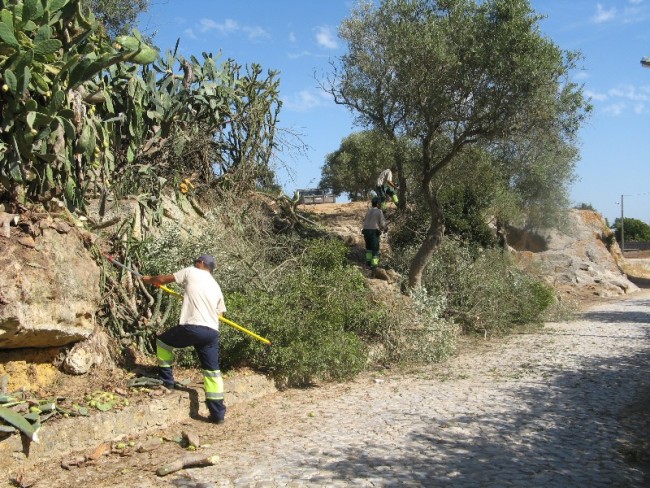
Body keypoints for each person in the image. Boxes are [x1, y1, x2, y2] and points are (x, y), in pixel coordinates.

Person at [141, 254, 227, 424]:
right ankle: (218, 415)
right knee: (212, 371)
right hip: (211, 331)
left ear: (202, 264)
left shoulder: (191, 271)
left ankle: (167, 382)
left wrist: (149, 279)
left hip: (193, 326)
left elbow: (164, 279)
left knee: (163, 342)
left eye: (196, 262)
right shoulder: (216, 286)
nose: (194, 264)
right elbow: (220, 314)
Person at [362, 197, 388, 271]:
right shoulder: (379, 211)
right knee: (375, 250)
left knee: (369, 248)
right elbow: (382, 223)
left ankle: (368, 263)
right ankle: (374, 265)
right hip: (373, 231)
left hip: (365, 231)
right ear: (377, 204)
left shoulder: (368, 211)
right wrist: (385, 228)